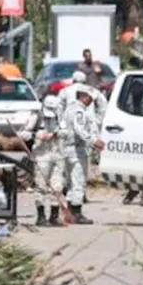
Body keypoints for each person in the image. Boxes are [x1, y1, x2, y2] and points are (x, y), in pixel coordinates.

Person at [61, 88, 103, 224]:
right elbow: (79, 129)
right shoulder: (79, 111)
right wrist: (93, 141)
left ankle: (68, 212)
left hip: (66, 149)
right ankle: (77, 213)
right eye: (90, 99)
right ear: (84, 97)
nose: (91, 102)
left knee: (70, 182)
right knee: (78, 182)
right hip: (76, 150)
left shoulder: (69, 109)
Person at [30, 97, 66, 227]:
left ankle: (54, 216)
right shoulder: (36, 116)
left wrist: (56, 134)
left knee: (57, 186)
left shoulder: (61, 116)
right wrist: (36, 135)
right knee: (41, 186)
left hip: (57, 155)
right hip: (42, 155)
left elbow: (67, 132)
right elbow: (22, 133)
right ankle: (40, 216)